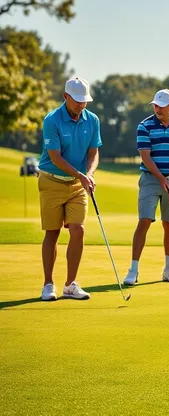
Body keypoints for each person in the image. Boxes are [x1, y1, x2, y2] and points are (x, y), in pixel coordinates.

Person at [38, 76, 102, 301]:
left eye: (84, 100)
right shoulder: (52, 120)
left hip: (77, 185)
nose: (81, 105)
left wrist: (90, 174)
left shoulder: (92, 120)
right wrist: (81, 175)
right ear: (65, 96)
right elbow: (55, 157)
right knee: (52, 233)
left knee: (78, 230)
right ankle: (48, 284)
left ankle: (70, 284)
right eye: (77, 100)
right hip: (51, 181)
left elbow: (93, 153)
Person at [123, 89, 169, 286]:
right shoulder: (145, 126)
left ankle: (168, 270)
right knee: (144, 220)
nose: (157, 109)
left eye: (161, 106)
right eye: (155, 105)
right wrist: (161, 177)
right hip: (151, 179)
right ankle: (133, 270)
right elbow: (145, 156)